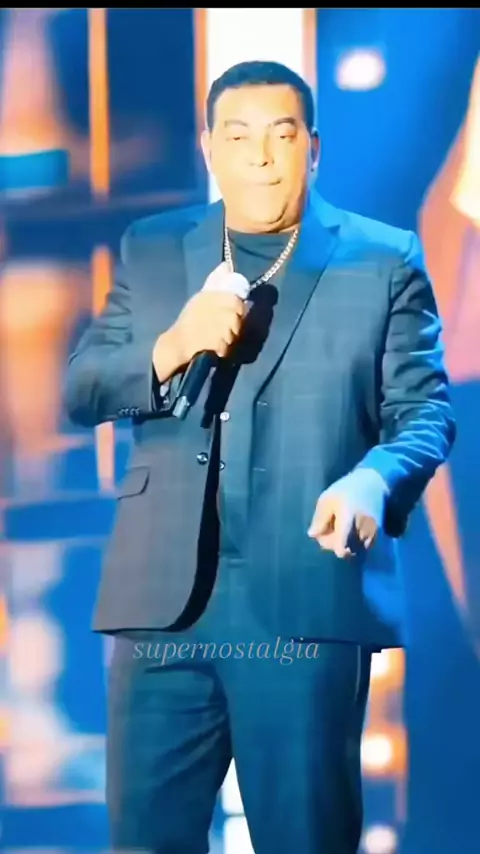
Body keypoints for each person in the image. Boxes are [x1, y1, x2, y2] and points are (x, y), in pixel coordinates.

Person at [64, 60, 456, 854]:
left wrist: (372, 481)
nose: (262, 158)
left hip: (303, 595)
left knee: (304, 838)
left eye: (281, 136)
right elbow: (84, 388)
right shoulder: (155, 246)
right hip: (164, 605)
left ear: (314, 148)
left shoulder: (381, 259)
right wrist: (174, 344)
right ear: (209, 148)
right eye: (238, 138)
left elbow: (424, 413)